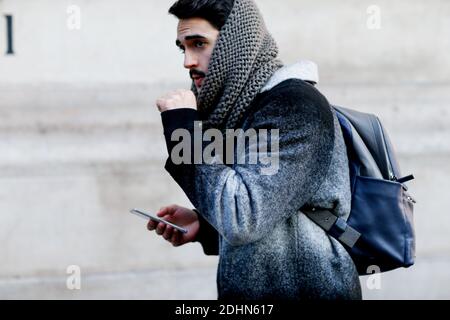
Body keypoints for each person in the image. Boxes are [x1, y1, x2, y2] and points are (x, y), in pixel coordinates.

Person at [148, 0, 362, 300]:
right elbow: (264, 205)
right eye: (183, 48)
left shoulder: (293, 106)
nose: (188, 61)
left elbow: (242, 217)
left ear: (234, 45)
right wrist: (206, 225)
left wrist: (183, 130)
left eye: (199, 44)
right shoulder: (244, 110)